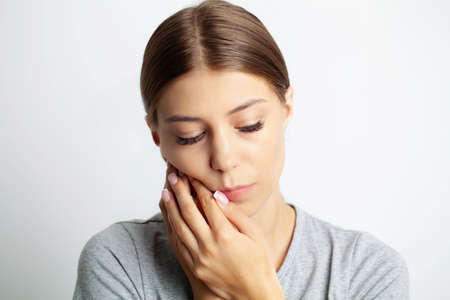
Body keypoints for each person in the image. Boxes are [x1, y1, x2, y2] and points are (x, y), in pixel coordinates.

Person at [73, 0, 409, 299]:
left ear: (286, 110)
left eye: (249, 125)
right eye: (190, 136)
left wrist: (256, 290)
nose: (224, 159)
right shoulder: (118, 260)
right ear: (158, 136)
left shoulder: (368, 272)